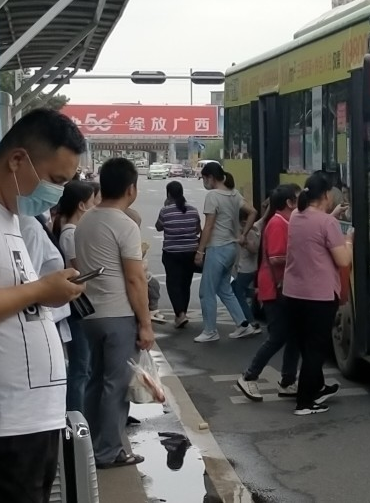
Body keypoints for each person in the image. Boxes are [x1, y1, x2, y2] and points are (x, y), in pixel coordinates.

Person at [0, 108, 86, 502]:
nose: (57, 193)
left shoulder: (9, 215)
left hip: (27, 421)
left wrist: (47, 290)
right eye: (55, 180)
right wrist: (38, 291)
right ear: (17, 160)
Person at [75, 157, 153, 469]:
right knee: (115, 385)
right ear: (131, 188)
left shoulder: (86, 220)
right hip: (117, 314)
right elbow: (134, 279)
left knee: (95, 381)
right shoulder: (124, 224)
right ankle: (109, 452)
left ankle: (93, 446)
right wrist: (145, 324)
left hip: (90, 314)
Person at [284, 172, 351, 416]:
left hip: (294, 293)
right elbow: (343, 259)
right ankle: (304, 402)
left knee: (306, 345)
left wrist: (331, 218)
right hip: (319, 296)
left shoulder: (296, 216)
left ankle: (318, 387)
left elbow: (315, 230)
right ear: (325, 195)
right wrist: (350, 241)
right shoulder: (327, 224)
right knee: (316, 350)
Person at [236, 184, 302, 402]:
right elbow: (275, 258)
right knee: (278, 336)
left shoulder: (286, 221)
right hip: (274, 288)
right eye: (298, 199)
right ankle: (249, 376)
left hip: (282, 286)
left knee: (293, 335)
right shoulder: (277, 223)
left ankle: (288, 381)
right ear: (289, 203)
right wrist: (302, 256)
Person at [193, 162, 258, 343]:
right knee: (224, 289)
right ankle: (243, 324)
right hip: (232, 248)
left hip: (217, 248)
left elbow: (209, 226)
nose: (204, 182)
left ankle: (210, 330)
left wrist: (200, 250)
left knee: (206, 291)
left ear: (211, 178)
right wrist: (243, 235)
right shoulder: (233, 194)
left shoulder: (213, 196)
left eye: (204, 178)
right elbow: (253, 212)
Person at [52, 180, 99, 413]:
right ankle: (76, 417)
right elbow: (78, 271)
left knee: (84, 365)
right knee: (81, 366)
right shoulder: (71, 234)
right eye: (92, 202)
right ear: (82, 205)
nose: (95, 206)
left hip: (77, 305)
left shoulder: (71, 230)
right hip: (77, 306)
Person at [156, 181, 202, 328]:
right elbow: (197, 230)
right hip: (190, 252)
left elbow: (158, 227)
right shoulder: (193, 210)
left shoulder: (165, 211)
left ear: (169, 194)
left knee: (173, 283)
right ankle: (182, 313)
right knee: (185, 283)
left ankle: (180, 314)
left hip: (172, 252)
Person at [231, 197, 268, 335]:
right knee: (238, 289)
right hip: (249, 269)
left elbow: (254, 249)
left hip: (245, 270)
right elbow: (263, 218)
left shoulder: (248, 232)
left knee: (237, 293)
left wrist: (244, 242)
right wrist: (268, 205)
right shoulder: (256, 226)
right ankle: (259, 293)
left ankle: (251, 322)